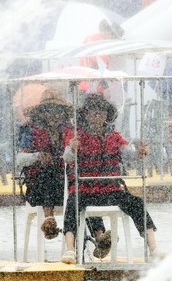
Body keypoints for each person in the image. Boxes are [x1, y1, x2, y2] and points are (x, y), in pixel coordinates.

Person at [60, 93, 158, 264]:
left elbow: (127, 154)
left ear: (106, 114)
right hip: (85, 190)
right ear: (86, 114)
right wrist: (72, 148)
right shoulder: (76, 136)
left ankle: (154, 248)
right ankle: (70, 250)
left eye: (101, 111)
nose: (97, 115)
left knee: (137, 203)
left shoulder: (115, 137)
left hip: (110, 190)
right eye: (92, 112)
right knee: (72, 205)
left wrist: (138, 153)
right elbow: (67, 158)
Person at [15, 89, 104, 243]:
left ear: (63, 113)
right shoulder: (31, 131)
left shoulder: (71, 132)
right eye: (49, 111)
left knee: (84, 192)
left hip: (67, 188)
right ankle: (49, 219)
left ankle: (100, 235)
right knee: (47, 172)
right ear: (42, 112)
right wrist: (37, 157)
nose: (54, 115)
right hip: (38, 189)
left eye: (58, 111)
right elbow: (20, 159)